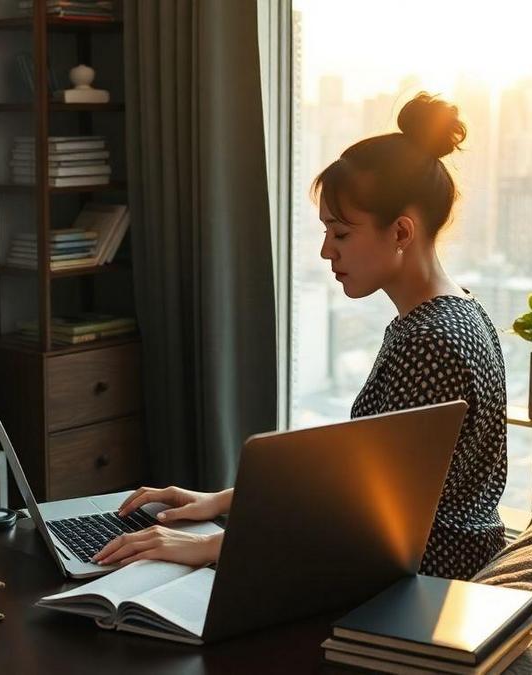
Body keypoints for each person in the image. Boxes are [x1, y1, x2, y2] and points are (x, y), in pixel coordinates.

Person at [94, 93, 508, 581]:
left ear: (400, 233)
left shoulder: (430, 342)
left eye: (341, 233)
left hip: (417, 582)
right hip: (416, 564)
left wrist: (209, 546)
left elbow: (370, 514)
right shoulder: (459, 312)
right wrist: (224, 501)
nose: (326, 251)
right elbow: (359, 482)